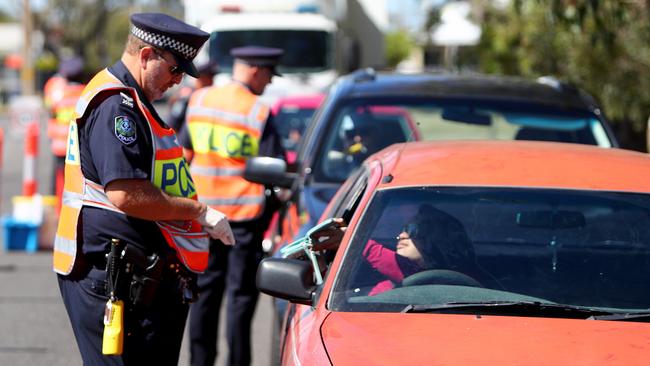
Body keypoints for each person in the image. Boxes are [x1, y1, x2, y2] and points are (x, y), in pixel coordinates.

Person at [53, 12, 235, 365]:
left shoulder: (134, 101)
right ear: (148, 55)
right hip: (110, 276)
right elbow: (126, 193)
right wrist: (199, 212)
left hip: (132, 275)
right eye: (175, 69)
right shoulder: (114, 106)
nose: (178, 81)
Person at [180, 45, 286, 366]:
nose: (268, 84)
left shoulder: (200, 99)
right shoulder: (257, 110)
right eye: (268, 76)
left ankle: (200, 362)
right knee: (240, 300)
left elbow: (183, 155)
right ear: (255, 70)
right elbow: (275, 167)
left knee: (203, 297)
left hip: (204, 217)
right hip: (242, 219)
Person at [363, 204, 478, 295]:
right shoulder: (384, 290)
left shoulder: (474, 279)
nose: (401, 235)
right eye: (404, 228)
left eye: (412, 229)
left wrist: (356, 237)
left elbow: (370, 249)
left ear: (436, 238)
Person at [45, 56, 86, 211]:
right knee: (76, 180)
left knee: (59, 179)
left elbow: (51, 110)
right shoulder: (85, 93)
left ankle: (59, 209)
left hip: (59, 145)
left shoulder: (59, 93)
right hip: (78, 147)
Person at [166, 59, 218, 132]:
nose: (212, 81)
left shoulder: (210, 96)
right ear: (201, 78)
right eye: (210, 78)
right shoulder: (187, 97)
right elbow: (172, 124)